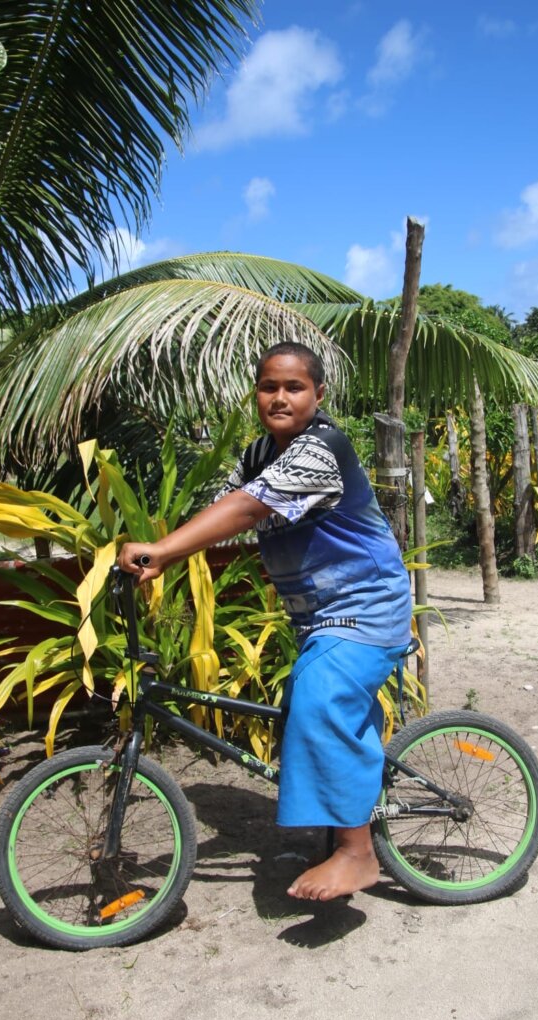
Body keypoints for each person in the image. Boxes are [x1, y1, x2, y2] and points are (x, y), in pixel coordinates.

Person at [118, 341, 412, 901]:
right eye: (268, 386)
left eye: (294, 387)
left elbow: (251, 510)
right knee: (307, 706)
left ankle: (357, 854)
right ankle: (342, 828)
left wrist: (160, 550)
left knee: (320, 700)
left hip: (367, 607)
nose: (279, 397)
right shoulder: (258, 454)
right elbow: (223, 510)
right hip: (321, 617)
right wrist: (163, 556)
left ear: (318, 394)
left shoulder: (324, 447)